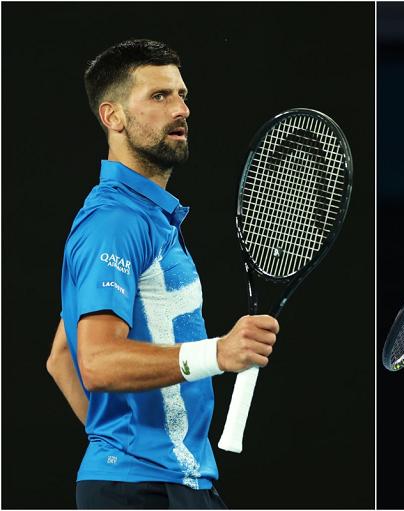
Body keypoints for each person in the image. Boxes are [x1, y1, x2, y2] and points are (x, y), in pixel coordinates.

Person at [45, 39, 279, 509]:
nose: (181, 109)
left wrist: (119, 438)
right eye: (159, 96)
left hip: (174, 482)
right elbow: (96, 362)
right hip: (141, 491)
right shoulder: (115, 224)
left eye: (181, 94)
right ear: (112, 117)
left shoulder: (150, 219)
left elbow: (63, 354)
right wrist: (218, 353)